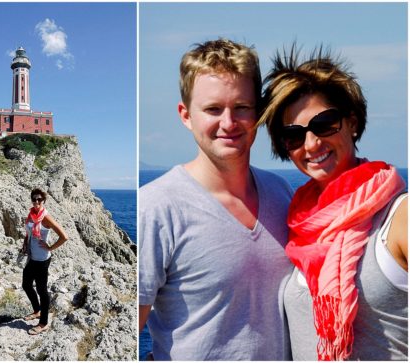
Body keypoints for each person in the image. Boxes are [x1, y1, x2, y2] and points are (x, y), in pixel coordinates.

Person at [137, 38, 294, 360]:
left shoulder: (283, 193)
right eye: (212, 109)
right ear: (186, 115)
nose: (228, 123)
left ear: (260, 112)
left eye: (241, 107)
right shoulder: (156, 207)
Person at [260, 45, 408, 361]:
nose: (311, 144)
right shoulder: (298, 225)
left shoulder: (399, 216)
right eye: (294, 135)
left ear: (352, 123)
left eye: (324, 123)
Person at [18, 188, 68, 335]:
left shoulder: (46, 218)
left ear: (44, 201)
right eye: (34, 199)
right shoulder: (31, 214)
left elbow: (64, 236)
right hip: (32, 257)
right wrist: (25, 243)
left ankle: (43, 323)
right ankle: (37, 311)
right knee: (26, 285)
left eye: (39, 199)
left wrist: (50, 247)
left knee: (42, 290)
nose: (36, 201)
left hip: (42, 260)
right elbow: (28, 232)